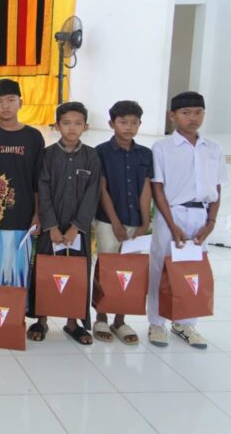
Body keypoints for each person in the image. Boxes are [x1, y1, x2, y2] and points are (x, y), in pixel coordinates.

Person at [147, 91, 227, 349]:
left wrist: (211, 223)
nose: (193, 118)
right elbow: (158, 188)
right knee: (162, 268)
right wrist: (172, 225)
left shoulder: (213, 149)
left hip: (201, 216)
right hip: (173, 214)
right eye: (186, 113)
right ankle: (157, 324)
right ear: (173, 116)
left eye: (198, 112)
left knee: (193, 271)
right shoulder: (162, 147)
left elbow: (217, 187)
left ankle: (185, 323)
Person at [0, 79, 44, 335]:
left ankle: (14, 318)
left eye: (10, 100)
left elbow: (38, 180)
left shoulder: (34, 137)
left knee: (18, 269)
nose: (5, 106)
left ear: (20, 103)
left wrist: (37, 213)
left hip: (23, 217)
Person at [32, 101, 100, 345]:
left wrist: (75, 227)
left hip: (77, 230)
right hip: (50, 228)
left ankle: (73, 323)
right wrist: (50, 226)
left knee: (77, 273)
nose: (72, 128)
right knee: (45, 271)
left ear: (86, 126)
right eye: (67, 123)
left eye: (78, 123)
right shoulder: (48, 155)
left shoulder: (92, 156)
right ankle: (41, 319)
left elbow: (93, 194)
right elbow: (43, 189)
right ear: (57, 125)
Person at [92, 101, 153, 345]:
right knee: (106, 267)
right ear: (111, 124)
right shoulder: (101, 152)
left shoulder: (145, 154)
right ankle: (101, 317)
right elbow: (102, 188)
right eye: (123, 122)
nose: (129, 127)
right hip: (108, 221)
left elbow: (146, 188)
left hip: (136, 222)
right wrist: (115, 221)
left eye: (134, 123)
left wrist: (145, 220)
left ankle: (120, 319)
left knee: (128, 270)